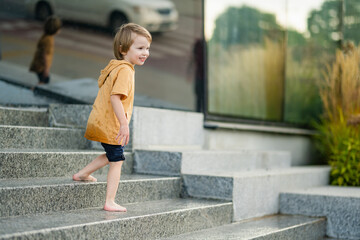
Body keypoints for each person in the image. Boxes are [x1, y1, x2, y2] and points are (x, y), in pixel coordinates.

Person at [73, 23, 152, 212]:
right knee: (117, 161)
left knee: (112, 155)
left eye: (147, 48)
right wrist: (124, 124)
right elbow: (115, 97)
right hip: (112, 124)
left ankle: (82, 174)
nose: (145, 52)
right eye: (140, 48)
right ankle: (110, 201)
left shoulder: (116, 67)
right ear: (123, 49)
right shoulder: (125, 70)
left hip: (103, 121)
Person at [29, 16, 62, 84]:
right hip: (41, 67)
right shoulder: (49, 40)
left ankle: (35, 90)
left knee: (43, 81)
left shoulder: (45, 36)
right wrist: (46, 69)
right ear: (55, 29)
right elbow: (45, 55)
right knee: (44, 81)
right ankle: (34, 91)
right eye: (59, 29)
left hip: (38, 64)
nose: (60, 30)